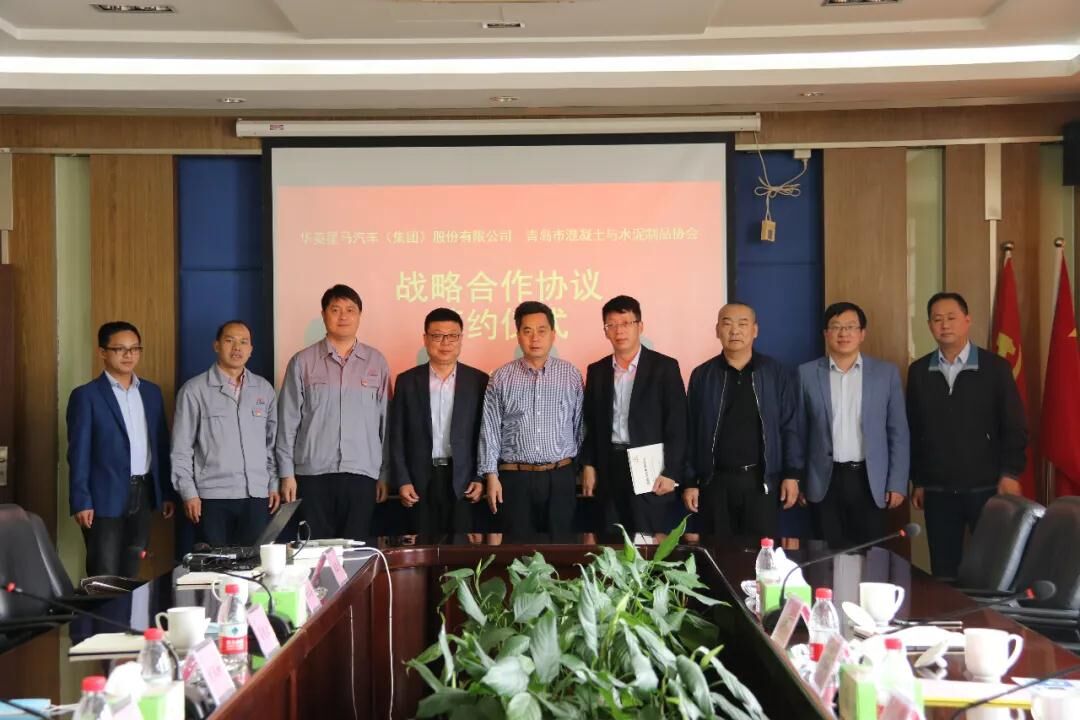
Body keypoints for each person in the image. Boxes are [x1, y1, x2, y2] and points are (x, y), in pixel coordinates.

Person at [907, 292, 1027, 578]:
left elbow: (1014, 425)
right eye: (937, 319)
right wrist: (918, 480)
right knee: (943, 571)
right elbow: (914, 429)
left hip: (987, 488)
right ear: (929, 325)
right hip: (937, 490)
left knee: (992, 568)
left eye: (951, 317)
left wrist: (1010, 472)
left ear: (967, 320)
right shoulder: (919, 371)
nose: (944, 325)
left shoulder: (995, 368)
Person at [276, 284, 390, 539]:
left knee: (357, 549)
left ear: (359, 316)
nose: (343, 316)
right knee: (316, 551)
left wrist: (384, 474)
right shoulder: (302, 362)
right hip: (312, 475)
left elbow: (385, 424)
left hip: (362, 474)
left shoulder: (377, 362)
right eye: (335, 309)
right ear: (323, 314)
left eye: (350, 310)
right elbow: (287, 422)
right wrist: (286, 474)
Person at [682, 303, 802, 538]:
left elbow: (790, 426)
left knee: (761, 555)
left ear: (755, 330)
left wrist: (792, 474)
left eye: (743, 324)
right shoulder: (702, 375)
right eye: (727, 324)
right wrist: (689, 481)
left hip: (760, 482)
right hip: (714, 483)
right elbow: (690, 432)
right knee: (715, 553)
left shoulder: (775, 373)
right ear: (717, 330)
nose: (735, 330)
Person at [66, 321, 175, 578]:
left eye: (135, 349)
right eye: (120, 349)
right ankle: (102, 608)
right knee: (104, 573)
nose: (129, 355)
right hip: (103, 496)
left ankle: (126, 608)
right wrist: (81, 500)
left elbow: (160, 445)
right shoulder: (86, 395)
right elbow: (78, 453)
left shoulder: (151, 392)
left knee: (131, 571)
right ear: (102, 352)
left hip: (143, 492)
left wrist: (166, 492)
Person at [797, 302, 909, 548]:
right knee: (826, 555)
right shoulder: (806, 374)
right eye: (836, 327)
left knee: (871, 556)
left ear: (862, 333)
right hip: (824, 480)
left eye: (850, 327)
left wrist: (897, 482)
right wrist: (800, 480)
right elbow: (800, 432)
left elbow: (898, 432)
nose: (843, 333)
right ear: (826, 333)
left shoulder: (885, 374)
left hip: (870, 480)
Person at [581, 295, 687, 534]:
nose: (619, 331)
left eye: (626, 323)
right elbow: (590, 424)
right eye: (612, 325)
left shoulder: (665, 367)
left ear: (640, 326)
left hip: (650, 467)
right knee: (610, 539)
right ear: (605, 331)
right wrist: (588, 464)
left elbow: (677, 425)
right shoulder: (597, 371)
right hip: (610, 464)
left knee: (646, 540)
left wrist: (671, 472)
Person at [171, 320, 279, 546]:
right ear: (217, 345)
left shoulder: (264, 389)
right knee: (214, 563)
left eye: (244, 342)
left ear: (251, 349)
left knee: (253, 563)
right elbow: (181, 449)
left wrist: (272, 484)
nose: (237, 348)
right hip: (211, 498)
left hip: (256, 496)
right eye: (230, 341)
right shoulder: (194, 390)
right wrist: (189, 492)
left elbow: (271, 445)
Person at [480, 301, 584, 535]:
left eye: (541, 330)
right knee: (518, 549)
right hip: (515, 478)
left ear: (553, 334)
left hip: (560, 477)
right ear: (518, 335)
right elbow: (490, 429)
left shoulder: (571, 375)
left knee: (562, 548)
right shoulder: (501, 377)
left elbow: (580, 426)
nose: (535, 338)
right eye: (527, 331)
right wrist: (491, 475)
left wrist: (579, 471)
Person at [390, 308, 488, 534]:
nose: (445, 343)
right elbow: (397, 436)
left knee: (460, 550)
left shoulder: (478, 381)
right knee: (423, 547)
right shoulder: (407, 381)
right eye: (437, 336)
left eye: (452, 336)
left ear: (461, 339)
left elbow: (485, 434)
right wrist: (402, 479)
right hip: (419, 479)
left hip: (463, 479)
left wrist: (479, 476)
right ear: (425, 339)